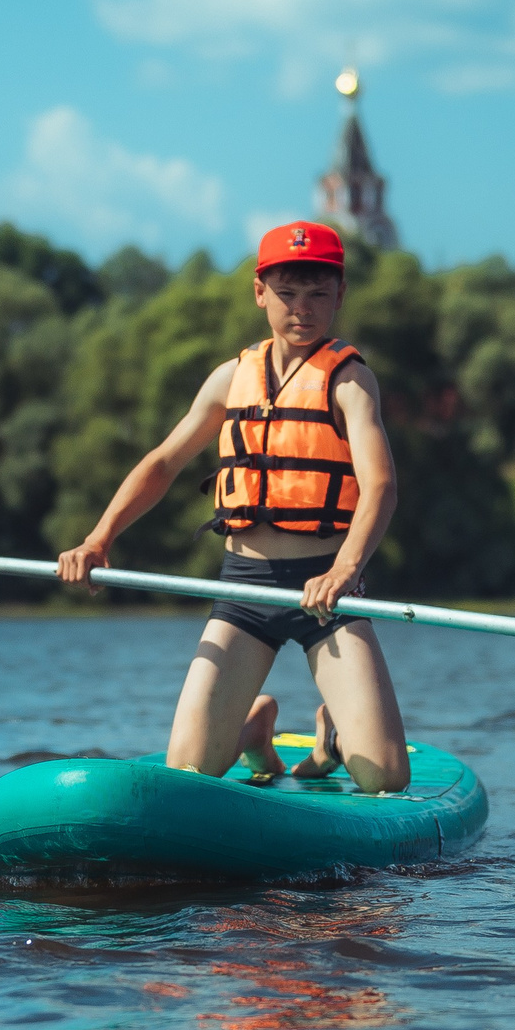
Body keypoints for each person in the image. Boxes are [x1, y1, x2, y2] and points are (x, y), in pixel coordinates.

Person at [57, 222, 409, 793]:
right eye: (288, 293)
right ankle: (252, 728)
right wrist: (100, 538)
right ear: (260, 292)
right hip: (244, 589)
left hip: (329, 591)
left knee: (386, 780)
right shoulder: (230, 377)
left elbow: (381, 486)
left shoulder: (350, 381)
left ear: (340, 296)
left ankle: (334, 739)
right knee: (190, 771)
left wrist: (345, 569)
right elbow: (163, 463)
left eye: (319, 294)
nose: (303, 309)